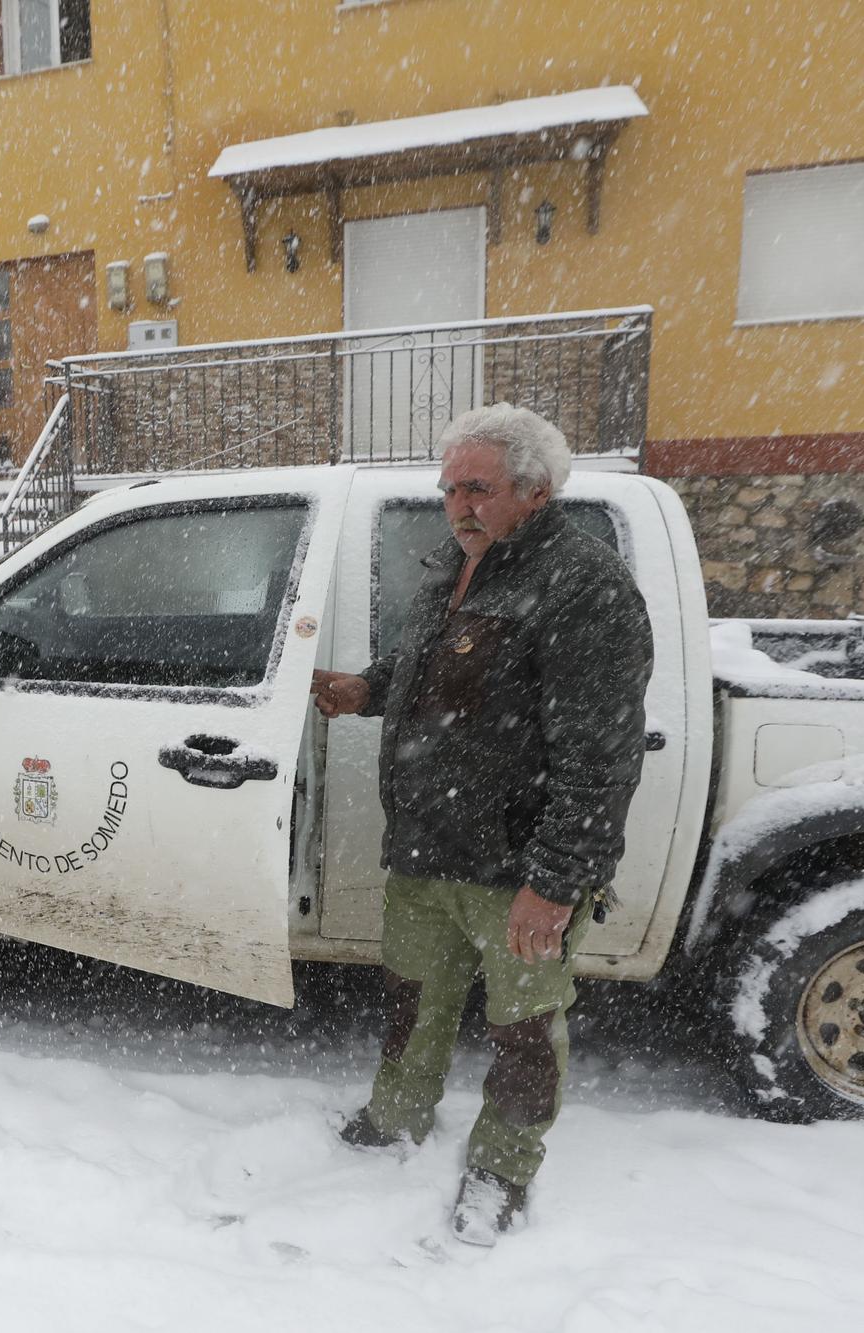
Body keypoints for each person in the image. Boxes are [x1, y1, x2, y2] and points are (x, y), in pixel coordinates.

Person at [310, 403, 653, 1246]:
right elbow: (431, 669)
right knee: (413, 1000)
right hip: (427, 849)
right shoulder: (459, 567)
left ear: (536, 492)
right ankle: (396, 1118)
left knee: (523, 1030)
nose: (457, 504)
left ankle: (502, 1166)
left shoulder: (583, 586)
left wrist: (556, 882)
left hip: (517, 870)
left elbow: (599, 756)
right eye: (448, 487)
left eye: (477, 488)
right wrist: (366, 688)